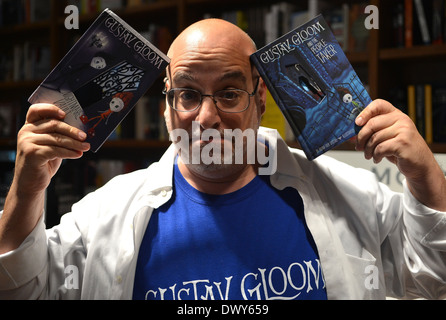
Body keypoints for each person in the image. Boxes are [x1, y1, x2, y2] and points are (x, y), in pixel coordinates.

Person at [0, 18, 445, 300]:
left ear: (259, 97)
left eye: (230, 92)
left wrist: (425, 172)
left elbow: (431, 281)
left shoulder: (346, 193)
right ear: (166, 106)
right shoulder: (106, 215)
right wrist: (27, 189)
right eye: (189, 95)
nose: (207, 118)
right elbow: (23, 288)